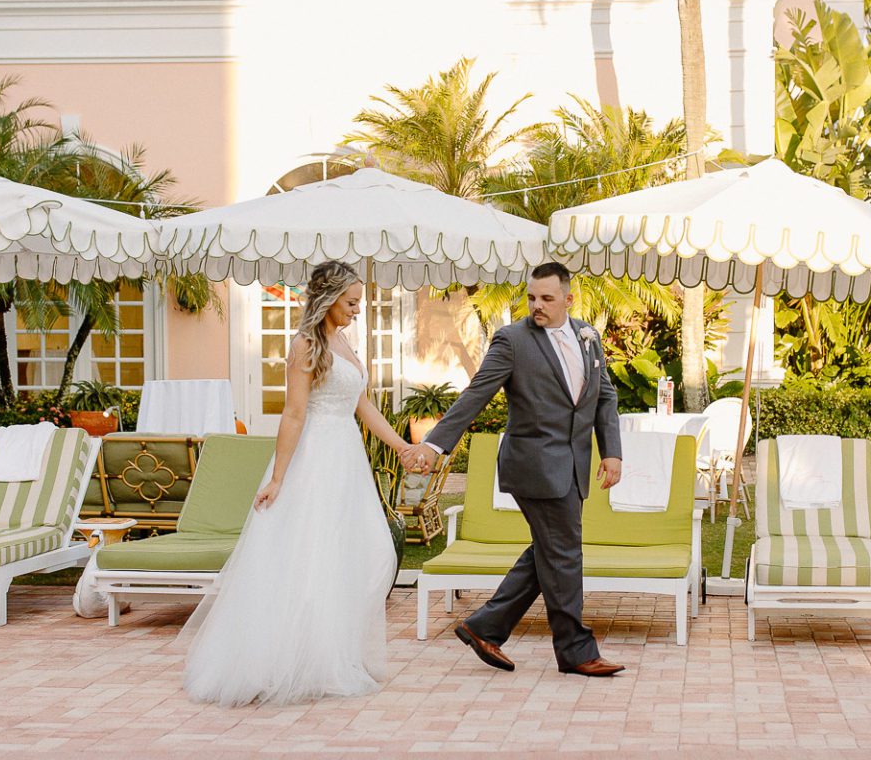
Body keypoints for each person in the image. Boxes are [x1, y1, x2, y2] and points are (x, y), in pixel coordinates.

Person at [181, 261, 411, 706]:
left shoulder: (341, 340)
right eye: (350, 302)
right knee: (311, 557)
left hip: (346, 458)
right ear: (327, 300)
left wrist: (400, 446)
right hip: (314, 460)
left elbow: (360, 402)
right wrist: (279, 477)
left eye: (358, 302)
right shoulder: (305, 345)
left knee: (366, 550)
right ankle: (300, 659)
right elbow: (294, 413)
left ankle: (333, 650)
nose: (356, 310)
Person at [402, 261, 625, 676]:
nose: (536, 306)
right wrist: (434, 445)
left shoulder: (588, 338)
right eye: (531, 297)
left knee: (550, 552)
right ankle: (576, 651)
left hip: (574, 466)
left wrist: (611, 451)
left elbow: (604, 396)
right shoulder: (512, 340)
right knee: (564, 554)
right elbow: (476, 394)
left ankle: (485, 626)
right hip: (534, 466)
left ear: (568, 299)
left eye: (546, 298)